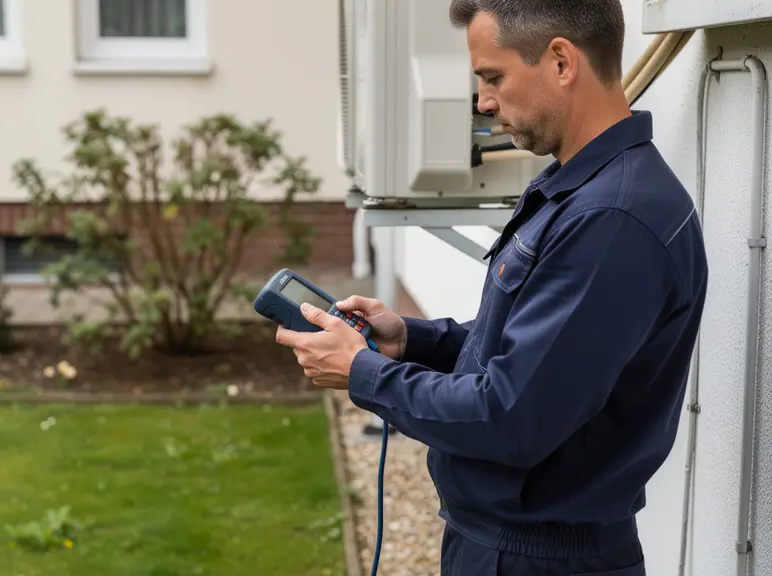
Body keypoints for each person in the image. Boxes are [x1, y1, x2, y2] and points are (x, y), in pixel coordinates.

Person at [275, 0, 708, 574]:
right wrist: (411, 341)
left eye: (492, 76)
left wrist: (363, 372)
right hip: (510, 547)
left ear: (561, 61)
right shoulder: (581, 190)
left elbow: (509, 418)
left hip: (537, 561)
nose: (482, 101)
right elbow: (528, 354)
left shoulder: (611, 220)